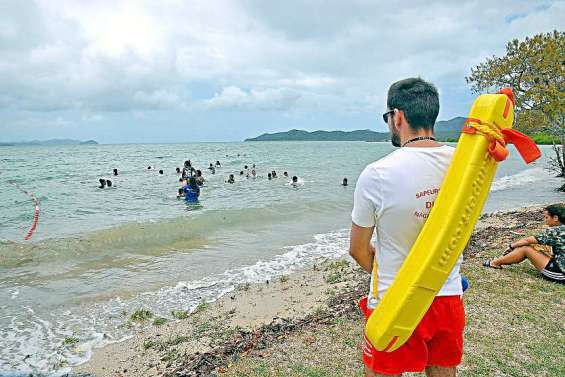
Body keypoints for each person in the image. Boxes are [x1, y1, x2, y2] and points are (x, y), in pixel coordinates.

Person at [349, 78, 463, 377]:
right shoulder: (464, 165)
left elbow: (358, 250)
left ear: (397, 116)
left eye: (388, 117)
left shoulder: (378, 174)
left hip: (394, 298)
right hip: (447, 294)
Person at [483, 204, 565, 283]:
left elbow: (527, 240)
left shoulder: (555, 231)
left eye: (546, 217)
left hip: (560, 274)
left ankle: (495, 263)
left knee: (525, 248)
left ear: (555, 218)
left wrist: (511, 246)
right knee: (536, 245)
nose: (545, 220)